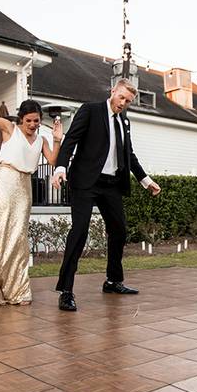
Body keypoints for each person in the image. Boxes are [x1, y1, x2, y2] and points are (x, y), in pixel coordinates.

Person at [52, 79, 161, 312]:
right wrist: (60, 167)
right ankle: (66, 290)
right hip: (86, 182)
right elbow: (70, 140)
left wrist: (146, 180)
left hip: (111, 184)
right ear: (113, 92)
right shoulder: (90, 110)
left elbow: (128, 154)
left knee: (119, 230)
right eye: (121, 97)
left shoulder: (124, 121)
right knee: (79, 232)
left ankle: (112, 281)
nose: (123, 103)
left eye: (128, 101)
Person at [0, 68, 62, 307]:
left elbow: (52, 161)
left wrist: (58, 139)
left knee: (18, 237)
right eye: (28, 121)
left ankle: (16, 290)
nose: (32, 125)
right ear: (21, 119)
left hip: (24, 188)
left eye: (36, 121)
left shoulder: (41, 140)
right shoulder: (8, 129)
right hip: (4, 181)